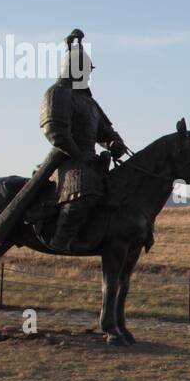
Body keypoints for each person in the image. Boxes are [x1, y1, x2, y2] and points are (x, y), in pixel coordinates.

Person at [39, 29, 126, 252]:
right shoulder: (58, 93)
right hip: (68, 160)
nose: (87, 75)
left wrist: (114, 144)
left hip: (90, 160)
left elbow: (105, 132)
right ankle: (61, 239)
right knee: (85, 191)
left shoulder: (90, 103)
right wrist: (80, 156)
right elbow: (55, 131)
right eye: (84, 70)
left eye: (88, 70)